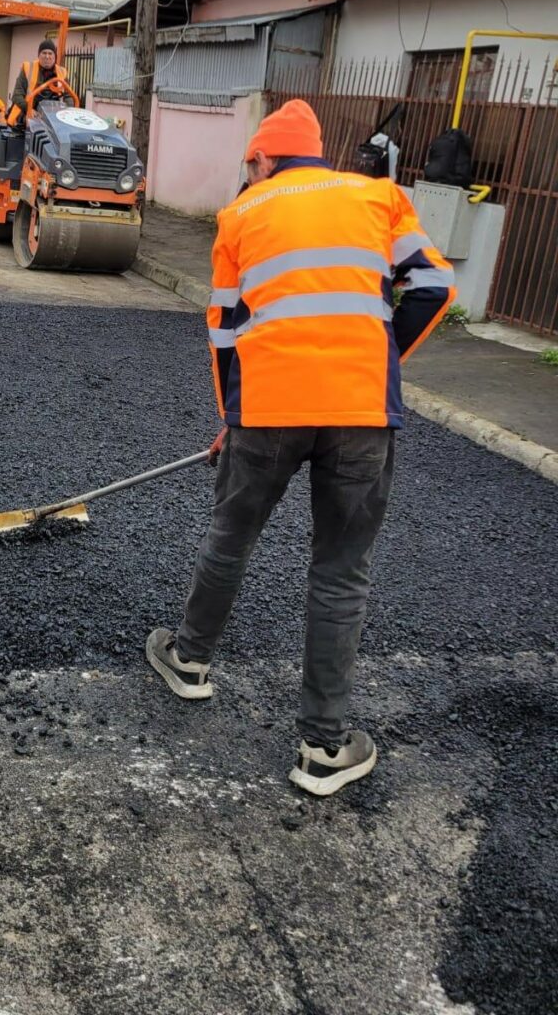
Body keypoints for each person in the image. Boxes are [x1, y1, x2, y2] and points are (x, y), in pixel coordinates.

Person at [146, 99, 456, 798]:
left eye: (249, 165)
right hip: (361, 414)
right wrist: (379, 362)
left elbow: (224, 329)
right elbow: (434, 287)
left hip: (268, 409)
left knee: (231, 537)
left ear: (262, 158)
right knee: (341, 572)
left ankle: (189, 662)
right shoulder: (379, 197)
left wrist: (233, 415)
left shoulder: (241, 215)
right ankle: (323, 748)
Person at [7, 39, 74, 125]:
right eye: (44, 53)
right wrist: (29, 109)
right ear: (39, 55)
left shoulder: (62, 72)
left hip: (55, 114)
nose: (47, 56)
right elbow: (17, 95)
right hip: (30, 111)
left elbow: (69, 96)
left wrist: (66, 112)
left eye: (50, 53)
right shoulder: (28, 68)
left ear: (55, 56)